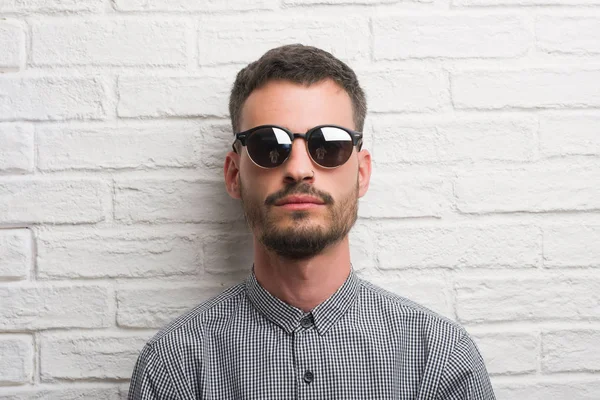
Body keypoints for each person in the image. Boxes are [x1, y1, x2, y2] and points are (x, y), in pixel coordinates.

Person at [128, 44, 495, 399]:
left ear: (362, 173)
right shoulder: (175, 365)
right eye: (268, 145)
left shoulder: (439, 358)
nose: (300, 169)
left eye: (328, 146)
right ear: (234, 175)